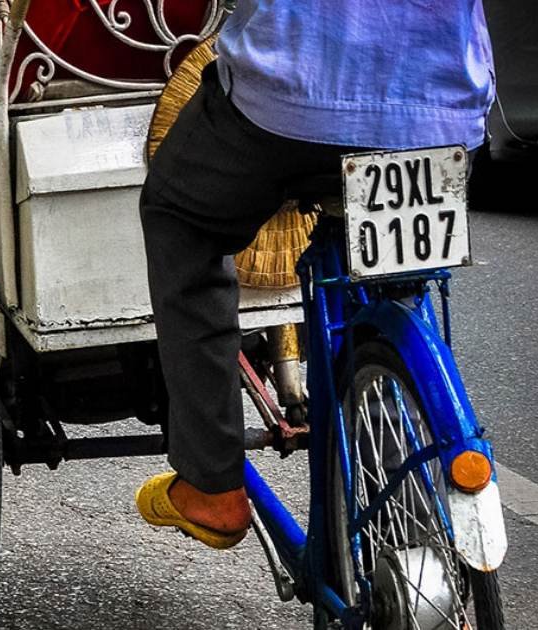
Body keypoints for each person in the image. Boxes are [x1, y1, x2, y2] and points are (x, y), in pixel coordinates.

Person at [135, 0, 495, 549]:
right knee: (396, 283)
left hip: (289, 100)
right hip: (445, 110)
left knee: (180, 218)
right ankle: (401, 475)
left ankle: (211, 483)